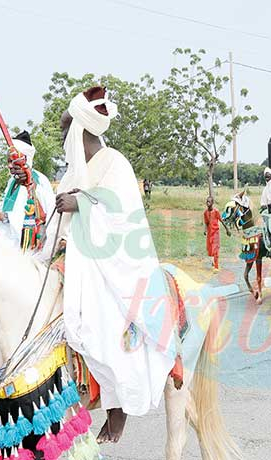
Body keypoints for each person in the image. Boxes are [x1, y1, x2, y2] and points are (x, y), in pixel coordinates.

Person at [53, 86, 178, 443]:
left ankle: (118, 407)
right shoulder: (72, 172)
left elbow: (123, 216)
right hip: (76, 261)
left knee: (106, 324)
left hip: (112, 267)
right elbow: (59, 220)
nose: (62, 139)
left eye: (65, 131)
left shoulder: (115, 162)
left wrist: (81, 205)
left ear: (78, 131)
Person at [0, 131, 56, 256]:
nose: (9, 166)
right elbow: (1, 214)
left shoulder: (39, 181)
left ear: (24, 160)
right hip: (3, 247)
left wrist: (2, 216)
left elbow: (41, 220)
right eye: (8, 161)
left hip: (23, 255)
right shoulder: (12, 181)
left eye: (12, 161)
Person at [203, 196, 224, 271]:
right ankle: (213, 262)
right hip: (209, 233)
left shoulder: (216, 211)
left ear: (212, 203)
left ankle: (216, 266)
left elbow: (221, 220)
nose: (208, 203)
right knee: (210, 249)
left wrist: (227, 229)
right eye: (207, 201)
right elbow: (206, 223)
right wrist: (205, 230)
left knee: (215, 249)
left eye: (209, 201)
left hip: (215, 233)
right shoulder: (205, 213)